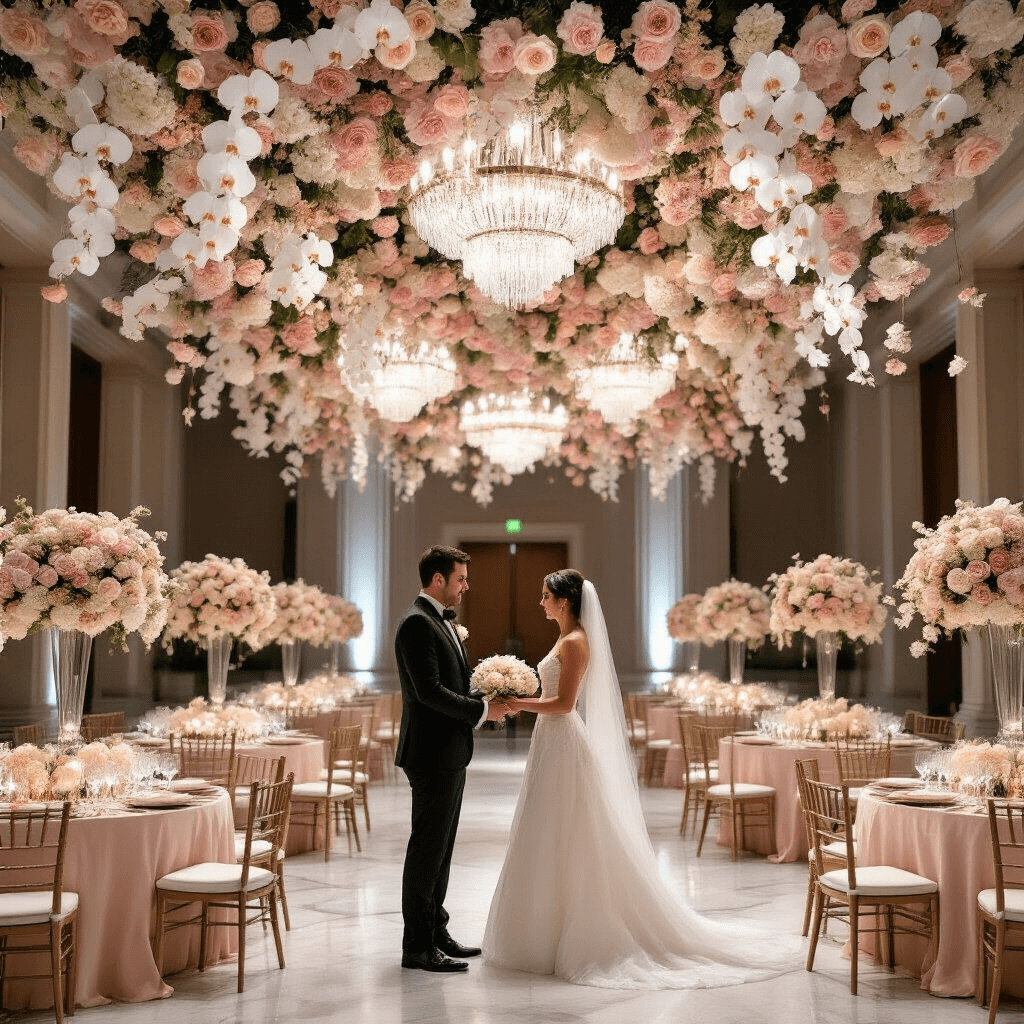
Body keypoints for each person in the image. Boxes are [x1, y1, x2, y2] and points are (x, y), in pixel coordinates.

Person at [482, 569, 797, 988]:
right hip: (548, 743)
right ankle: (539, 931)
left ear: (564, 601)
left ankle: (571, 930)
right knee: (544, 828)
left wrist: (517, 701)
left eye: (545, 596)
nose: (540, 602)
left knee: (570, 831)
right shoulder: (563, 638)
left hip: (563, 740)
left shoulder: (576, 642)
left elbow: (564, 705)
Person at [394, 544, 508, 973]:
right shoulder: (417, 624)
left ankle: (436, 930)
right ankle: (417, 947)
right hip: (430, 754)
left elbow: (452, 686)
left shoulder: (437, 623)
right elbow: (429, 693)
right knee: (426, 851)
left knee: (440, 850)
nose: (466, 586)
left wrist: (490, 697)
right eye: (460, 578)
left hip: (450, 752)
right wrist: (481, 711)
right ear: (438, 579)